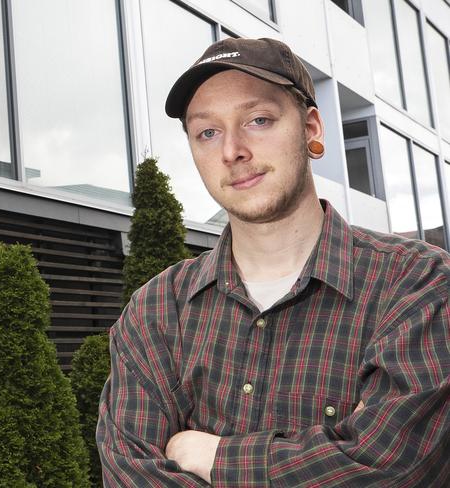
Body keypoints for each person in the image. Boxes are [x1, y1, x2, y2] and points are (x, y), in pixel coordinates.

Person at [96, 37, 450, 487]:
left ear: (311, 129)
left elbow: (394, 470)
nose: (232, 151)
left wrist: (217, 456)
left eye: (258, 120)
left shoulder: (417, 285)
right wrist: (330, 456)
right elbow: (129, 474)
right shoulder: (155, 311)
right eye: (208, 132)